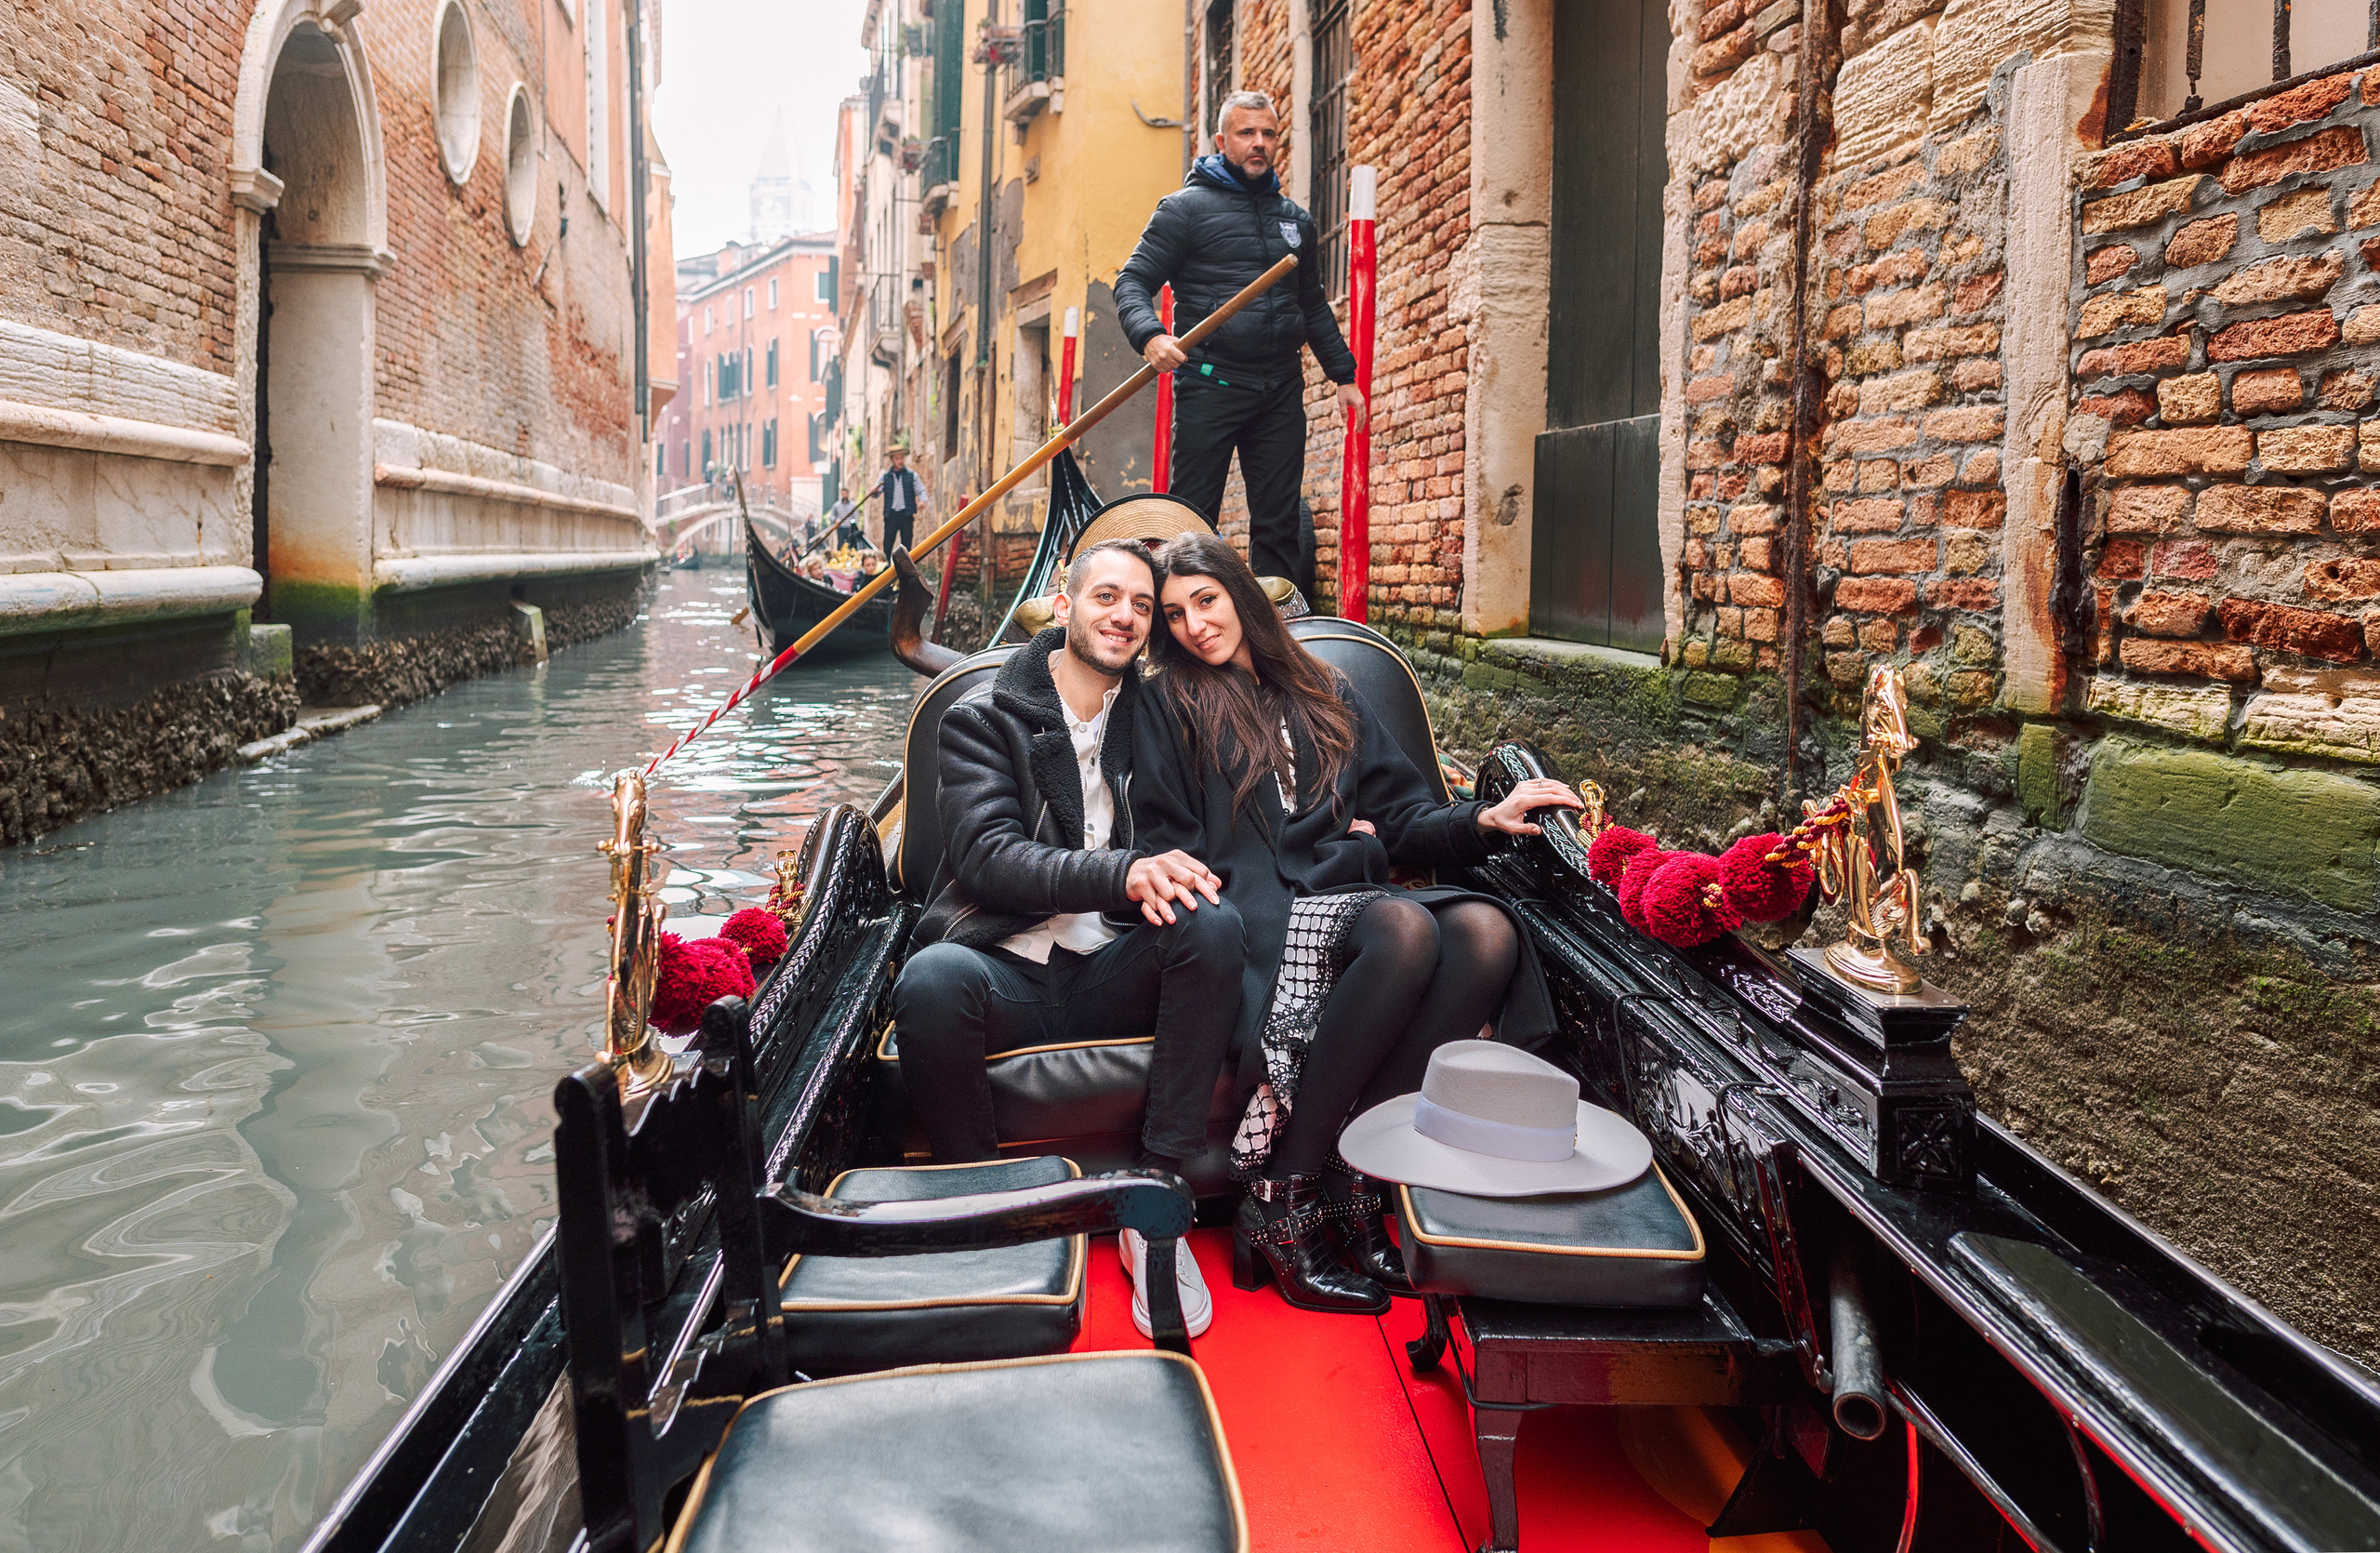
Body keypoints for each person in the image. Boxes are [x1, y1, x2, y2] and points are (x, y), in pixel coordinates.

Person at [1130, 531, 1582, 1316]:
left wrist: (1483, 817)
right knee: (1403, 931)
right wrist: (1355, 854)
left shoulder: (1325, 687)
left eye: (1205, 600)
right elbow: (1172, 840)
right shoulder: (1170, 701)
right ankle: (1281, 1197)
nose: (1195, 625)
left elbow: (1401, 814)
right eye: (1173, 615)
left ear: (1239, 593)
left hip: (1339, 899)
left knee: (1487, 934)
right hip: (1256, 918)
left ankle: (1350, 1179)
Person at [894, 538, 1244, 1337]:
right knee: (931, 980)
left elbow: (1204, 827)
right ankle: (984, 1207)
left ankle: (1155, 1201)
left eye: (1142, 606)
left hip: (1111, 965)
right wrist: (1123, 873)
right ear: (1064, 605)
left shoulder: (1159, 720)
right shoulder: (981, 716)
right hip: (1004, 971)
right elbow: (988, 858)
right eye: (1106, 597)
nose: (1124, 616)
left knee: (1213, 926)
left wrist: (1348, 822)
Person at [1114, 91, 1366, 598]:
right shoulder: (1184, 211)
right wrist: (1151, 335)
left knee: (1278, 522)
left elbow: (1312, 305)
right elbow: (1132, 281)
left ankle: (1279, 629)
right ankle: (1178, 623)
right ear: (1221, 140)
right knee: (1190, 523)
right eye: (1247, 133)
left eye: (1268, 134)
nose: (1259, 143)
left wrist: (1344, 376)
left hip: (1279, 390)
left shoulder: (1295, 221)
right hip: (1210, 384)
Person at [879, 445, 925, 554]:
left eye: (901, 458)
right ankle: (886, 564)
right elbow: (876, 492)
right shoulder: (885, 477)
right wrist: (875, 490)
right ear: (892, 460)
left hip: (906, 515)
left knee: (906, 545)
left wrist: (922, 500)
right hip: (891, 515)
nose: (900, 461)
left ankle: (905, 565)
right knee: (887, 544)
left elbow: (921, 490)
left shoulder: (912, 475)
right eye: (897, 459)